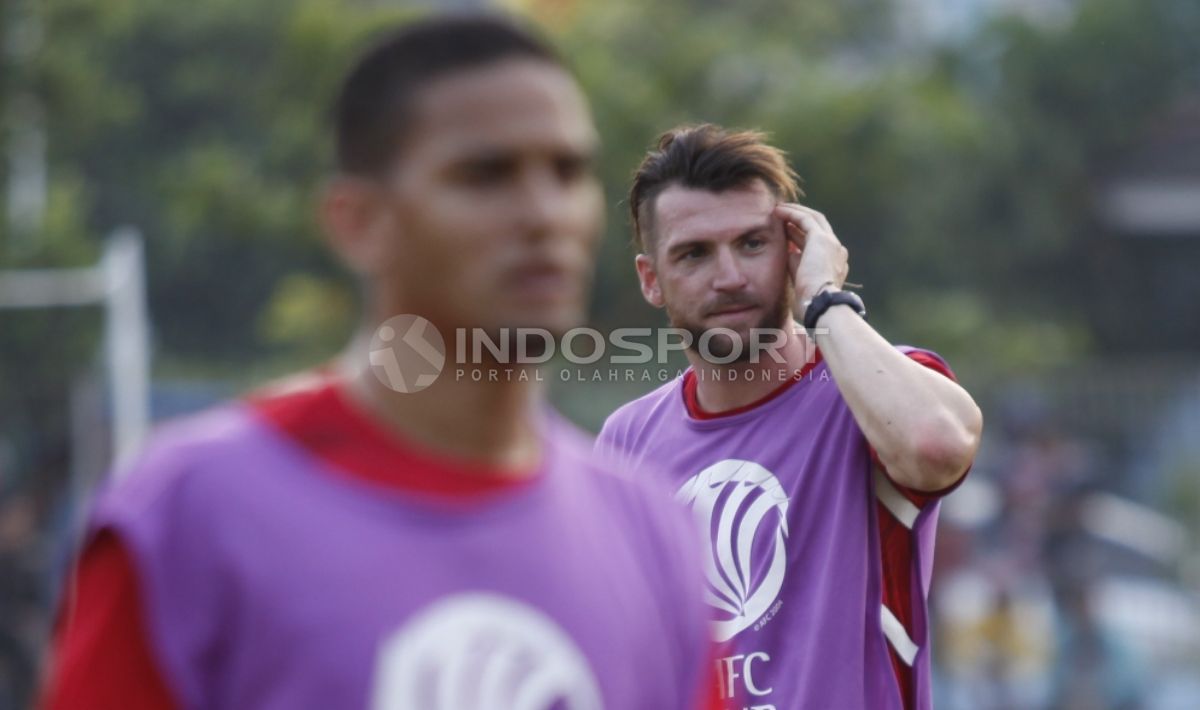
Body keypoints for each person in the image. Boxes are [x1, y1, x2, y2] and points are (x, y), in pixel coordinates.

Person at [42, 16, 715, 710]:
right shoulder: (188, 515)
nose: (546, 213)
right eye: (486, 175)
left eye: (568, 171)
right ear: (358, 222)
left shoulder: (651, 533)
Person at [597, 124, 984, 710]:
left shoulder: (870, 391)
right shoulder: (629, 437)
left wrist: (826, 299)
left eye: (753, 243)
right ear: (652, 280)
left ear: (794, 251)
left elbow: (937, 447)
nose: (729, 276)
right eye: (694, 253)